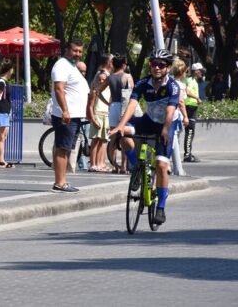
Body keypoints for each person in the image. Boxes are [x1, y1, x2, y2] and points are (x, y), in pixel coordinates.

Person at [110, 49, 181, 225]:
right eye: (153, 63)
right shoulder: (143, 83)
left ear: (168, 67)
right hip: (149, 120)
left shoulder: (173, 86)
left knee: (161, 164)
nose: (156, 67)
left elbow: (170, 111)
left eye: (161, 64)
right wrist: (120, 126)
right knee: (123, 134)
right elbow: (133, 105)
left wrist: (165, 129)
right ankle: (137, 170)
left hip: (167, 124)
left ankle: (161, 208)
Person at [50, 39, 88, 192]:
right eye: (75, 50)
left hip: (74, 115)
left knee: (67, 149)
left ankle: (63, 181)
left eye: (80, 51)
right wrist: (65, 110)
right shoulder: (61, 65)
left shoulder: (71, 66)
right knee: (62, 148)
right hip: (66, 115)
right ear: (67, 49)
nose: (77, 54)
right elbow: (59, 89)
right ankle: (59, 182)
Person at [86, 53, 113, 172]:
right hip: (98, 110)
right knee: (96, 139)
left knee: (103, 139)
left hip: (104, 110)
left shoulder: (106, 75)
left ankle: (101, 163)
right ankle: (93, 163)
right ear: (108, 62)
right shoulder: (102, 75)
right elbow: (96, 93)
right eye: (112, 61)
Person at [183, 63, 205, 162]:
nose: (202, 73)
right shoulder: (189, 80)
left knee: (190, 132)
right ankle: (187, 155)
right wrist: (197, 98)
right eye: (201, 71)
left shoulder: (194, 81)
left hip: (192, 107)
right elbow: (186, 91)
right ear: (196, 71)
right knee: (190, 131)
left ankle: (188, 153)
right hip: (189, 107)